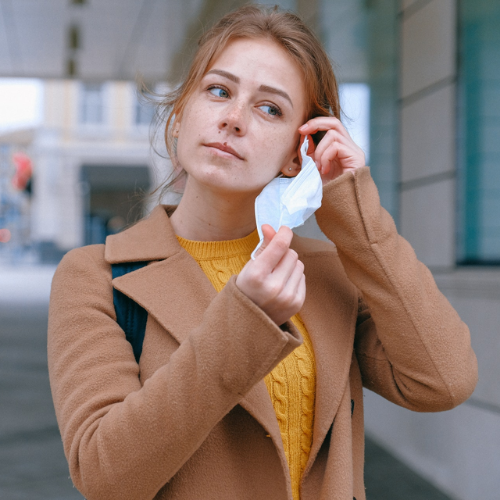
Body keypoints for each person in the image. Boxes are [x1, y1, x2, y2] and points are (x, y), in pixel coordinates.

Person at [47, 5, 478, 500]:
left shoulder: (323, 272)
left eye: (269, 108)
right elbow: (104, 475)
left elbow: (444, 380)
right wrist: (244, 321)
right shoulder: (96, 275)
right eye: (218, 91)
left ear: (299, 153)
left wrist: (356, 220)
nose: (233, 119)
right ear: (181, 113)